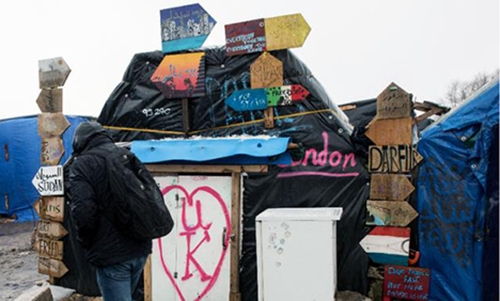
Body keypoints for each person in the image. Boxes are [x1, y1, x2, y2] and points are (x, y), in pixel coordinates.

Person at [68, 121, 151, 301]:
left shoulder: (83, 164)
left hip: (112, 255)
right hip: (140, 248)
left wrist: (86, 242)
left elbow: (83, 211)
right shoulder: (127, 156)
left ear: (80, 142)